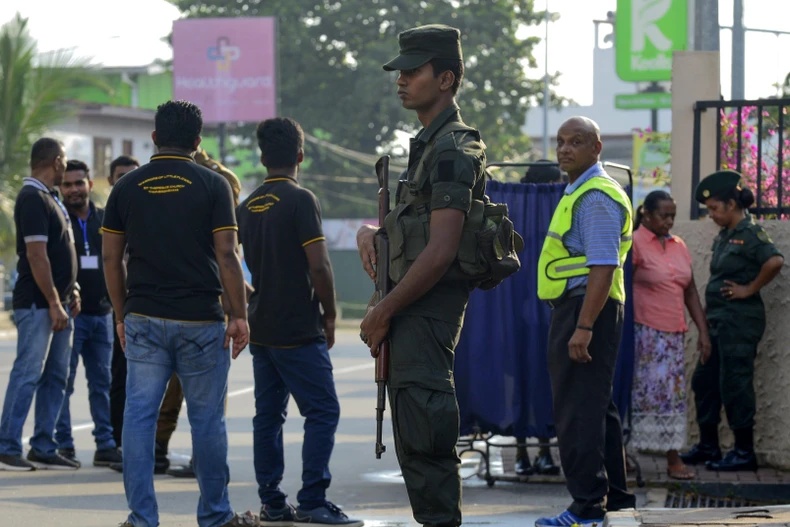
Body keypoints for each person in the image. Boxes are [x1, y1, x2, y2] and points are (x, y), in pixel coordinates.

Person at [102, 100, 256, 527]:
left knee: (139, 418)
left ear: (154, 138)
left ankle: (142, 518)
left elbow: (111, 259)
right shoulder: (214, 185)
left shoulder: (125, 187)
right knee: (207, 422)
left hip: (144, 317)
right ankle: (215, 515)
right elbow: (228, 255)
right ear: (197, 141)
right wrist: (239, 315)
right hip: (201, 320)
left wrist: (121, 314)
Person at [356, 24, 487, 527]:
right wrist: (375, 232)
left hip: (424, 314)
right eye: (400, 72)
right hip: (410, 311)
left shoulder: (453, 148)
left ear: (446, 78)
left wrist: (383, 311)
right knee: (415, 441)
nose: (401, 80)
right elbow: (415, 230)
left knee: (427, 442)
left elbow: (440, 250)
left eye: (413, 71)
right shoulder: (430, 146)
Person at [236, 118, 359, 527]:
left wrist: (247, 299)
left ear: (262, 158)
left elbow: (227, 261)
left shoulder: (247, 206)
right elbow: (319, 265)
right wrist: (331, 314)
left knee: (268, 417)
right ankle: (312, 500)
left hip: (262, 327)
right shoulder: (301, 200)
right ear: (300, 156)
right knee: (323, 411)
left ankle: (272, 503)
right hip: (297, 327)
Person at [534, 117, 636, 527]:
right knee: (595, 406)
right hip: (584, 309)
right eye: (560, 141)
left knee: (578, 409)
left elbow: (603, 266)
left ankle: (587, 506)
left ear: (596, 148)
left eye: (576, 141)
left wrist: (584, 326)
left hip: (587, 310)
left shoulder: (595, 196)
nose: (564, 148)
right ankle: (616, 501)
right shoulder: (580, 191)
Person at [681, 170, 783, 472]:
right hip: (718, 322)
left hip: (739, 324)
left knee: (735, 383)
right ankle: (708, 445)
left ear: (731, 204)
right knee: (704, 380)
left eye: (714, 208)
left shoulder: (750, 233)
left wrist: (749, 289)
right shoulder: (726, 235)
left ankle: (743, 451)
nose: (711, 214)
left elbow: (774, 261)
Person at [0, 138, 81, 471]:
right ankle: (6, 447)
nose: (66, 167)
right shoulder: (32, 197)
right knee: (28, 373)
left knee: (56, 376)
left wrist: (71, 289)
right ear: (57, 161)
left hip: (59, 302)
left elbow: (60, 252)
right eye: (65, 162)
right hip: (39, 304)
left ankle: (44, 447)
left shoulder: (49, 197)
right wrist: (53, 301)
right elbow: (36, 255)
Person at [630, 190, 710, 480]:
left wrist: (703, 332)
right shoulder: (634, 243)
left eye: (673, 216)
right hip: (644, 335)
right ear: (646, 215)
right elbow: (620, 286)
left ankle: (673, 457)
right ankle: (623, 455)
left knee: (671, 398)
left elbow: (690, 291)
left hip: (673, 337)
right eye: (664, 216)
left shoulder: (679, 245)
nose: (669, 221)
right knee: (641, 395)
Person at [54, 160, 122, 468]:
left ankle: (105, 444)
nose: (73, 190)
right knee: (63, 383)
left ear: (90, 185)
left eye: (78, 183)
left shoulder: (105, 219)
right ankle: (63, 444)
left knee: (102, 384)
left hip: (103, 314)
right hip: (71, 315)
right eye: (67, 184)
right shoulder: (57, 219)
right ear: (61, 188)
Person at [107, 155, 140, 450]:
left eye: (133, 174)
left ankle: (151, 446)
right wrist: (120, 314)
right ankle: (118, 442)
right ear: (111, 181)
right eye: (121, 176)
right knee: (120, 375)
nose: (127, 181)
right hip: (120, 309)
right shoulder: (109, 214)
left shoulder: (148, 210)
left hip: (148, 307)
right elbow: (111, 260)